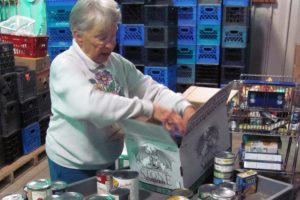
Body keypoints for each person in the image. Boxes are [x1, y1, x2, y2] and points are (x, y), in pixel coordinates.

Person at [46, 0, 196, 184]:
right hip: (72, 166)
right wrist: (150, 110)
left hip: (107, 161)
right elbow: (90, 105)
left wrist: (184, 107)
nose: (110, 45)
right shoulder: (64, 65)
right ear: (78, 35)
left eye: (113, 36)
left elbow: (151, 90)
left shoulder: (117, 63)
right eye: (102, 38)